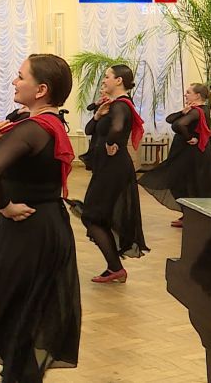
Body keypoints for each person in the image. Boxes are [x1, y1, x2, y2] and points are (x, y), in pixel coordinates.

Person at [0, 54, 81, 382]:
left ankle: (18, 375)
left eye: (21, 76)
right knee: (25, 307)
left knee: (19, 306)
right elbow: (7, 164)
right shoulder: (49, 124)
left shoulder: (33, 128)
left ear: (41, 90)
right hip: (45, 224)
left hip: (29, 227)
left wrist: (4, 205)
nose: (14, 81)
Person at [81, 64, 148, 283]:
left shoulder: (121, 105)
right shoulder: (110, 106)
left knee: (92, 216)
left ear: (119, 81)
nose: (104, 81)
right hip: (107, 168)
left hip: (114, 167)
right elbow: (89, 130)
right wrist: (98, 115)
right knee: (97, 216)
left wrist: (111, 142)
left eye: (107, 76)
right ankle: (114, 268)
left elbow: (118, 129)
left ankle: (115, 267)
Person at [138, 83, 211, 228]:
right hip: (187, 153)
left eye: (188, 92)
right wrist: (183, 112)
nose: (185, 94)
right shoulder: (193, 110)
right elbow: (170, 119)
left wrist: (188, 137)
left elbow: (178, 125)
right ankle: (188, 215)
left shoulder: (198, 111)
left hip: (191, 154)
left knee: (188, 183)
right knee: (184, 183)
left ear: (198, 96)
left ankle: (193, 216)